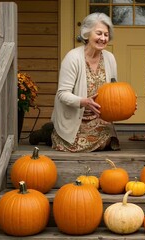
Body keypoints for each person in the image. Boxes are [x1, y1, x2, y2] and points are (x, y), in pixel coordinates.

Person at [51, 12, 120, 152]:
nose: (103, 38)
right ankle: (51, 132)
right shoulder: (73, 58)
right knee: (75, 145)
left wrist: (125, 104)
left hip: (99, 118)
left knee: (109, 142)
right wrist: (83, 101)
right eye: (99, 33)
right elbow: (62, 94)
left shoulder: (110, 58)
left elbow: (115, 91)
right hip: (75, 119)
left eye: (106, 35)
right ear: (87, 34)